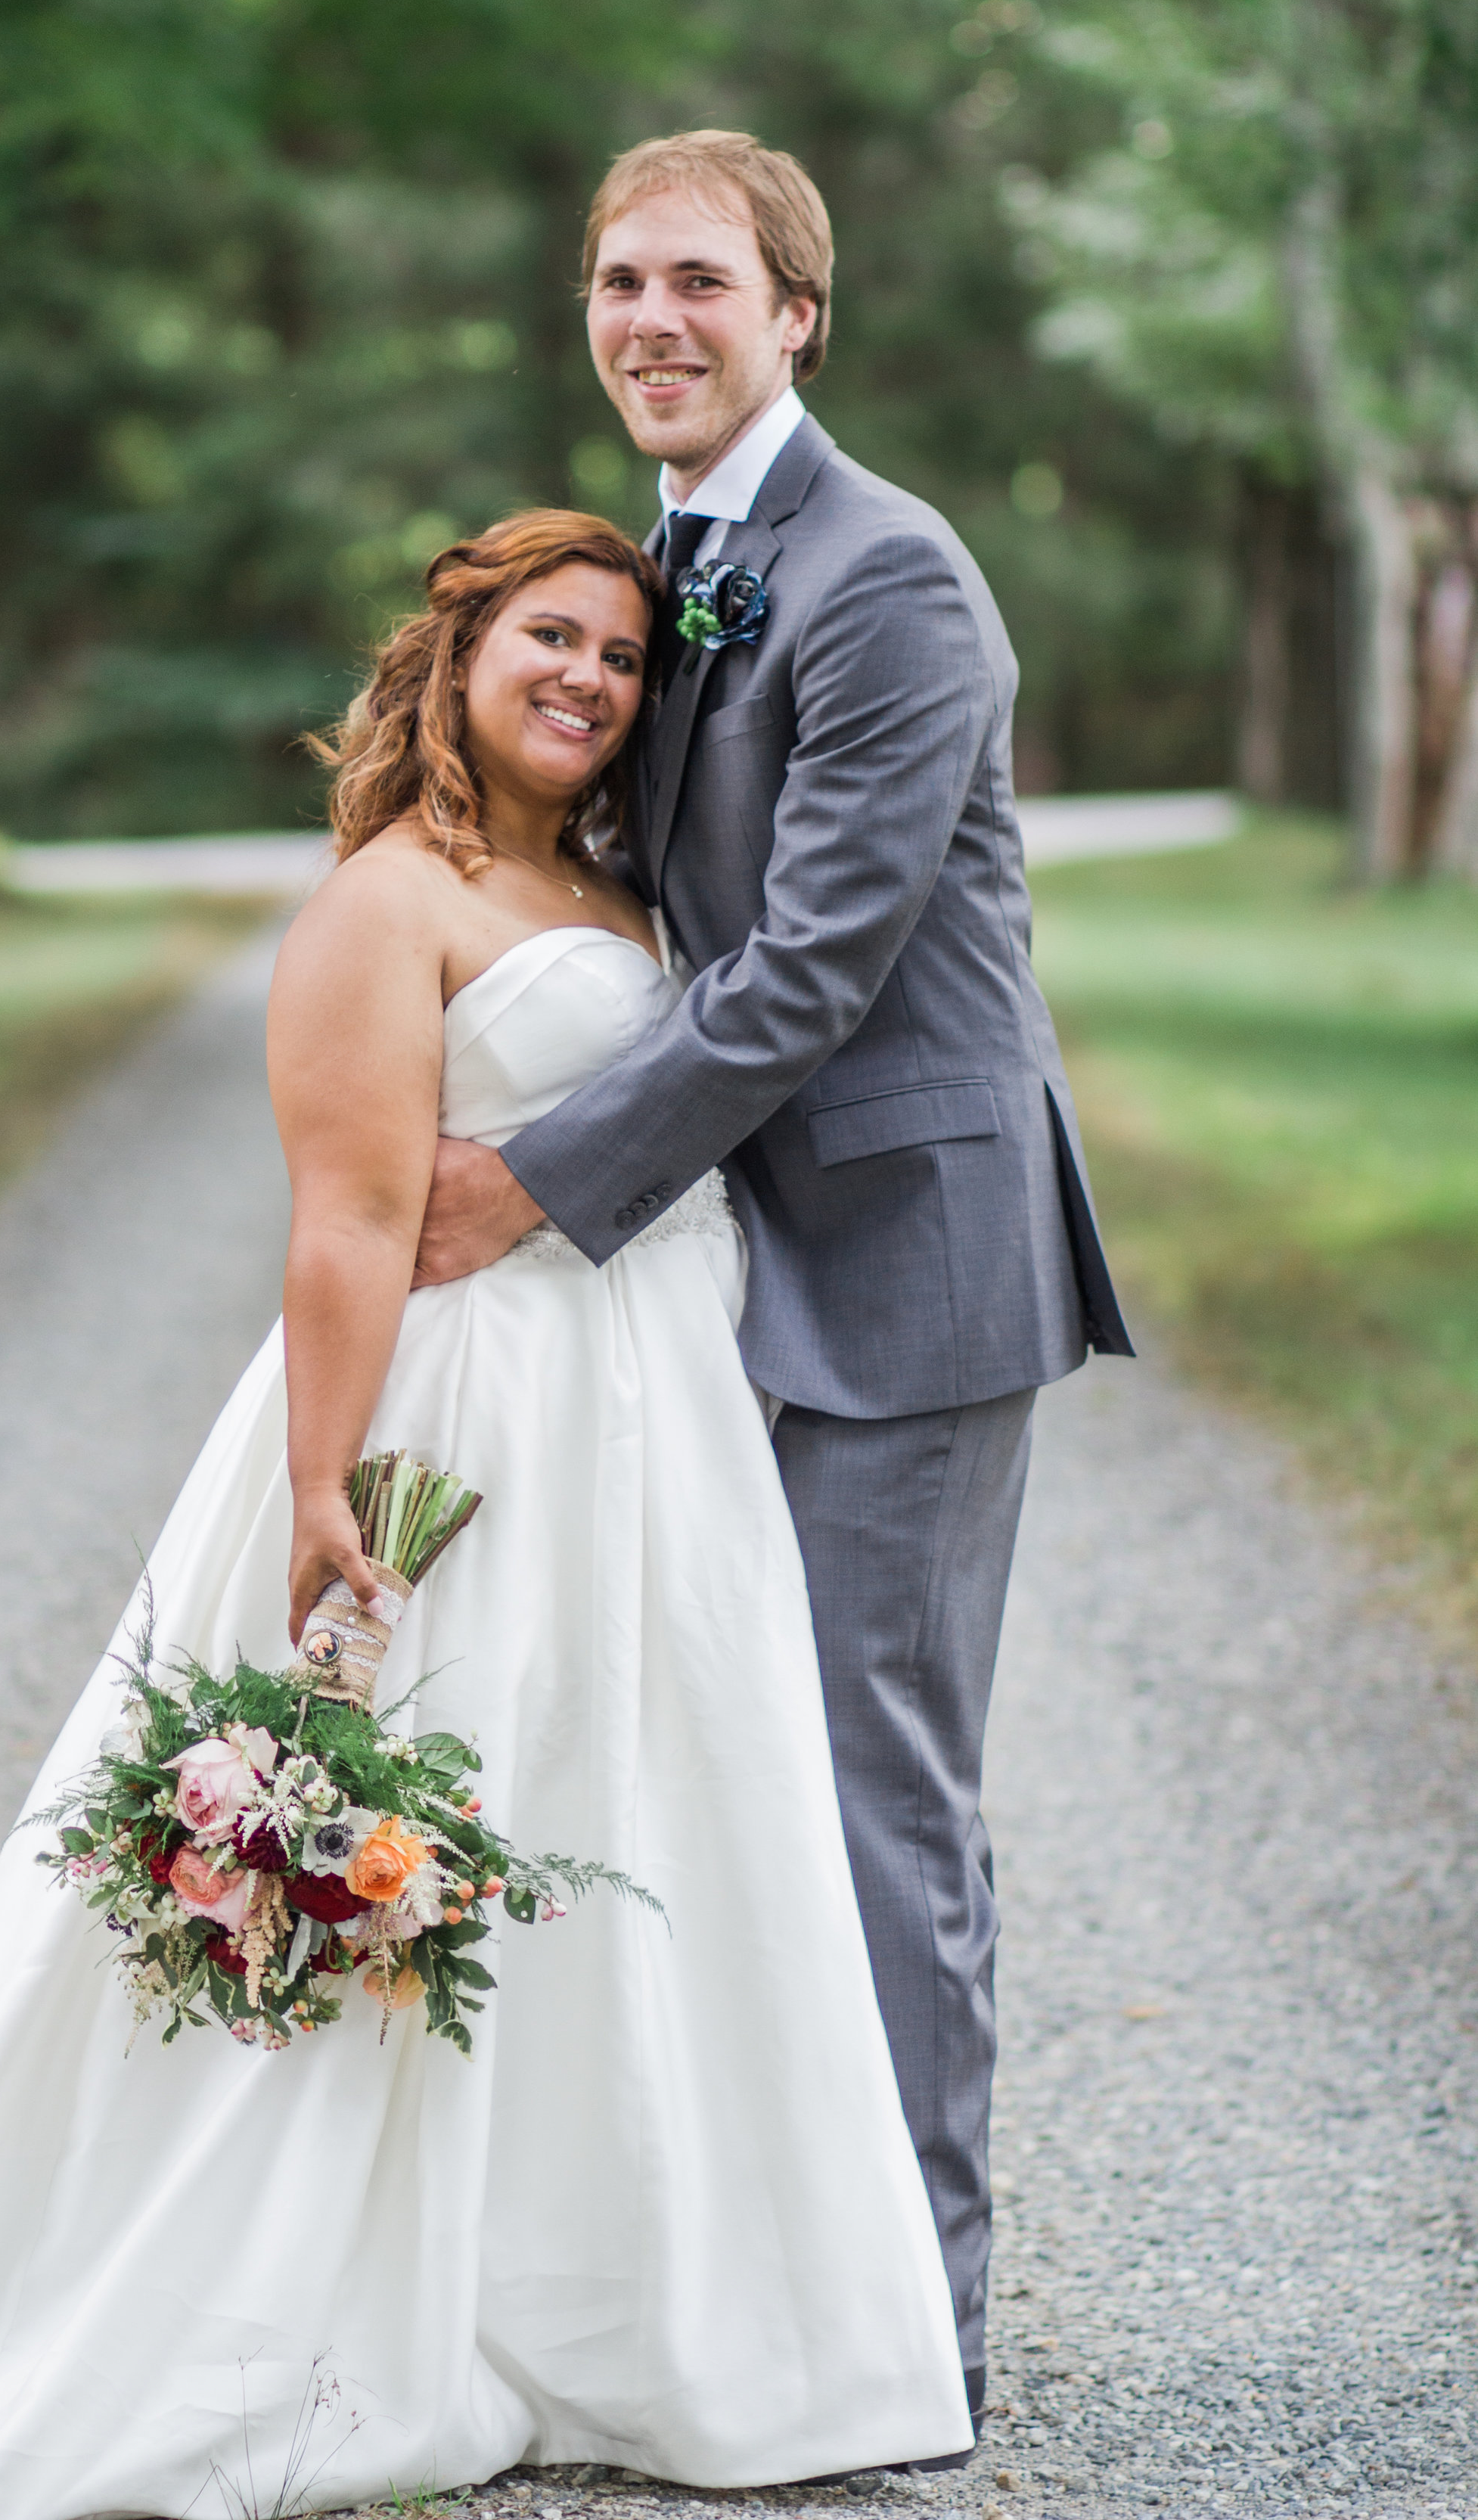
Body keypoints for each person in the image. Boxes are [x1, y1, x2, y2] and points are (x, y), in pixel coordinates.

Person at [0, 507, 973, 2518]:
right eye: (549, 641)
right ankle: (297, 2284)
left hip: (654, 1412)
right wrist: (322, 1487)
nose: (588, 678)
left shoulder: (604, 884)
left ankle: (622, 2292)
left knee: (645, 1807)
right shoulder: (382, 907)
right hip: (467, 1414)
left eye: (617, 656)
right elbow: (340, 1217)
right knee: (440, 1803)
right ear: (456, 658)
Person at [413, 132, 1133, 2449]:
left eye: (699, 283)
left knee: (870, 1798)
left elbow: (813, 966)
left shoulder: (889, 575)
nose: (650, 320)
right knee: (726, 1781)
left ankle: (918, 2332)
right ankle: (757, 2284)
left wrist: (524, 1180)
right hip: (740, 1259)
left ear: (796, 312)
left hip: (907, 1263)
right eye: (617, 281)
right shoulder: (684, 562)